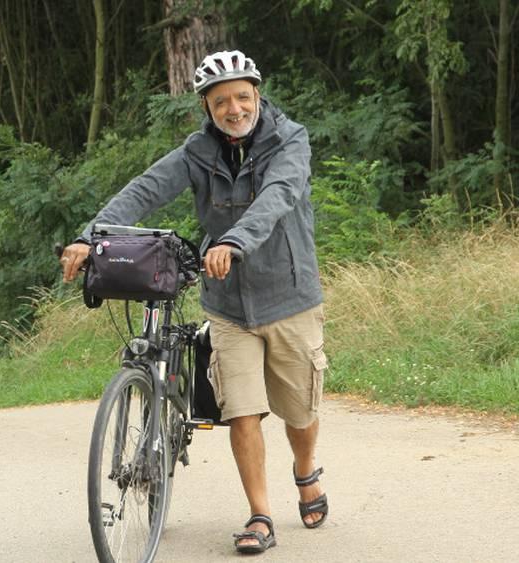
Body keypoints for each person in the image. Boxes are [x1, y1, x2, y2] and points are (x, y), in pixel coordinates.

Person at [59, 50, 329, 554]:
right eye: (221, 100)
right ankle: (260, 515)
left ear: (257, 95)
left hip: (289, 294)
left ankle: (305, 469)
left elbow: (277, 197)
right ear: (206, 106)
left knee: (299, 412)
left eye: (242, 97)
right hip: (227, 303)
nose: (234, 108)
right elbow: (143, 190)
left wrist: (233, 241)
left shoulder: (290, 140)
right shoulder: (197, 151)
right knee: (242, 411)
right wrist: (89, 237)